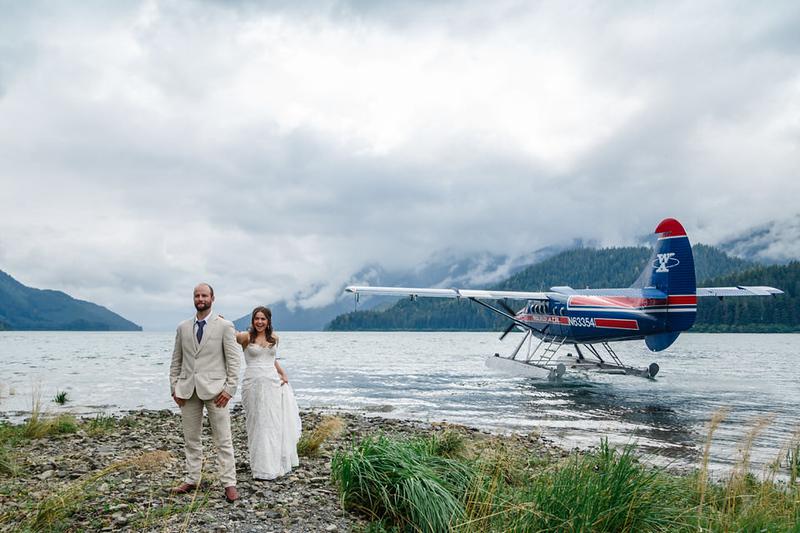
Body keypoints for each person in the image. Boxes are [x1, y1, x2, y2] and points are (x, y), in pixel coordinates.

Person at [169, 283, 242, 502]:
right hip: (187, 390)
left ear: (212, 298)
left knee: (223, 439)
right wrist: (174, 387)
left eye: (204, 295)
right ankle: (192, 479)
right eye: (197, 295)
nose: (200, 299)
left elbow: (234, 360)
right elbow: (176, 360)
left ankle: (229, 483)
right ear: (193, 298)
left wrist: (229, 389)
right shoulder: (183, 327)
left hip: (216, 391)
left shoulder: (225, 326)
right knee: (191, 438)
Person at [235, 306, 301, 480]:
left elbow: (272, 359)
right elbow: (229, 333)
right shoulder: (246, 337)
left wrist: (283, 373)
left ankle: (272, 465)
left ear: (268, 321)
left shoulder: (274, 338)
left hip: (271, 384)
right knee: (256, 424)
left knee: (272, 423)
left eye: (263, 319)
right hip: (253, 384)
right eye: (257, 318)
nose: (259, 322)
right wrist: (221, 320)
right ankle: (259, 467)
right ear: (252, 320)